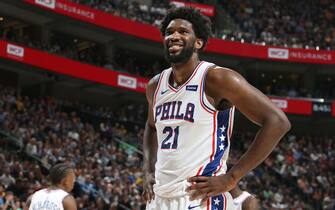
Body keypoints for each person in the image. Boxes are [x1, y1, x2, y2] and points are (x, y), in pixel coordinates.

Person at [142, 7, 291, 210]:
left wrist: (231, 177)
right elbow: (152, 128)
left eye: (183, 32)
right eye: (169, 32)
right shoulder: (155, 86)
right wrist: (148, 170)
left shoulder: (217, 79)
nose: (174, 36)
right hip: (159, 199)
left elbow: (277, 122)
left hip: (200, 199)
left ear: (198, 42)